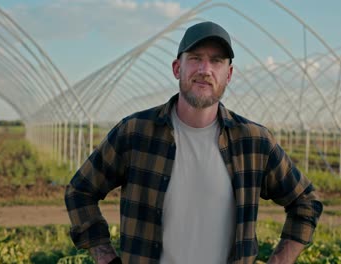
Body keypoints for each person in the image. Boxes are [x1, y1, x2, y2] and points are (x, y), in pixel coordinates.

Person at [65, 21, 323, 264]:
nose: (205, 70)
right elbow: (80, 191)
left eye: (216, 61)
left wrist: (279, 260)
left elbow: (306, 202)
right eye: (196, 59)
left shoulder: (254, 142)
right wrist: (106, 257)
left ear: (229, 73)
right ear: (178, 68)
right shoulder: (135, 133)